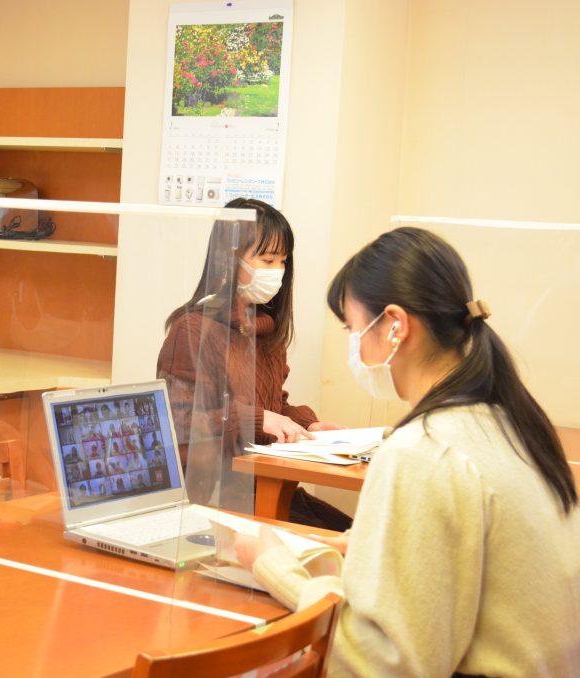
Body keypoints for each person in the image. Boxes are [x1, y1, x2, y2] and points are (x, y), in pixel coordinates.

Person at [238, 227, 580, 675]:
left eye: (354, 329)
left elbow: (384, 664)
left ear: (395, 326)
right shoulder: (510, 421)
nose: (355, 346)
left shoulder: (423, 452)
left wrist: (275, 569)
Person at [157, 198, 348, 529]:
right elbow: (180, 424)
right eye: (267, 260)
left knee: (353, 535)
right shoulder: (193, 330)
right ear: (228, 259)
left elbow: (273, 406)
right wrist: (257, 419)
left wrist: (307, 425)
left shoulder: (265, 329)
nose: (277, 271)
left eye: (283, 261)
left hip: (262, 487)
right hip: (214, 498)